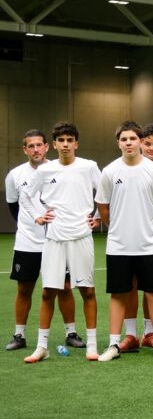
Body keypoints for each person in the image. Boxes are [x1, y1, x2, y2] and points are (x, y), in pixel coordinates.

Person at [20, 121, 101, 362]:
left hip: (82, 237)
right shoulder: (45, 171)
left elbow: (105, 193)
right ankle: (41, 347)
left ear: (76, 143)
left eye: (69, 140)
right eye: (61, 141)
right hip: (54, 238)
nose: (65, 144)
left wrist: (97, 217)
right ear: (54, 145)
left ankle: (92, 346)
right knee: (48, 292)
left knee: (88, 291)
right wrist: (38, 215)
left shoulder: (89, 167)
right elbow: (26, 195)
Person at [96, 121, 153, 361]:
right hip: (118, 246)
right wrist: (117, 226)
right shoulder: (109, 171)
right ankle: (113, 344)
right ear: (118, 143)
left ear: (140, 141)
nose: (128, 143)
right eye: (124, 139)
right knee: (119, 294)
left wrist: (150, 223)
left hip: (148, 245)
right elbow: (103, 207)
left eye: (132, 138)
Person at [5, 129, 79, 351]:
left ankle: (71, 333)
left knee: (65, 287)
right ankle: (19, 335)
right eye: (31, 146)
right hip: (27, 243)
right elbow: (14, 207)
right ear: (25, 149)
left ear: (47, 147)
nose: (36, 149)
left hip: (58, 240)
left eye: (39, 145)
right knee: (24, 289)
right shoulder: (15, 175)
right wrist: (32, 223)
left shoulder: (59, 170)